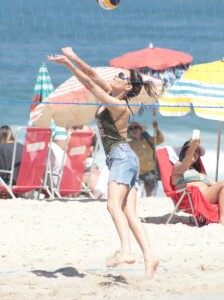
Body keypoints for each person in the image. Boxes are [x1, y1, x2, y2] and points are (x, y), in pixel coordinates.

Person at [48, 47, 159, 278]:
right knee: (129, 212)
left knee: (112, 206)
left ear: (127, 87)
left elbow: (88, 83)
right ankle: (150, 257)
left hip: (120, 156)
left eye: (121, 77)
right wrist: (73, 56)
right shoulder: (113, 94)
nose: (115, 77)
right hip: (126, 157)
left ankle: (127, 250)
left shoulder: (116, 104)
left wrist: (68, 65)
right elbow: (92, 74)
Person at [172, 138, 224, 227]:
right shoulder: (178, 166)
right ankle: (223, 219)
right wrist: (192, 148)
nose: (195, 153)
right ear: (184, 152)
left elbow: (218, 185)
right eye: (193, 150)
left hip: (208, 197)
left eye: (197, 152)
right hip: (193, 198)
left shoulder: (200, 173)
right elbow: (184, 166)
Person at [128, 120, 164, 197]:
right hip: (138, 176)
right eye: (131, 128)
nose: (134, 130)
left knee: (152, 197)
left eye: (136, 127)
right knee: (137, 196)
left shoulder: (149, 140)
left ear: (141, 129)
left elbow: (161, 139)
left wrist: (156, 129)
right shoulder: (129, 144)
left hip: (151, 174)